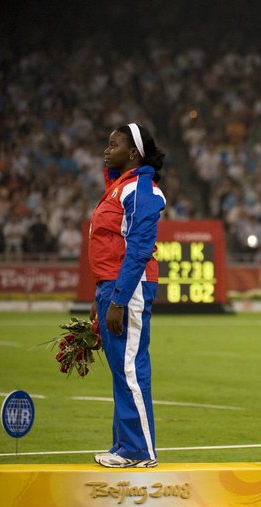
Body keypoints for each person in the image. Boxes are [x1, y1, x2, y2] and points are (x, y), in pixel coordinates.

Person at [88, 123, 166, 468]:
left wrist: (118, 299)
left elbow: (138, 249)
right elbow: (110, 246)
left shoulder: (140, 189)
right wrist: (101, 293)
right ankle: (124, 447)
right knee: (122, 370)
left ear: (133, 153)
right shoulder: (119, 188)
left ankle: (139, 451)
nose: (107, 150)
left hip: (128, 288)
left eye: (113, 144)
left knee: (131, 368)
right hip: (114, 285)